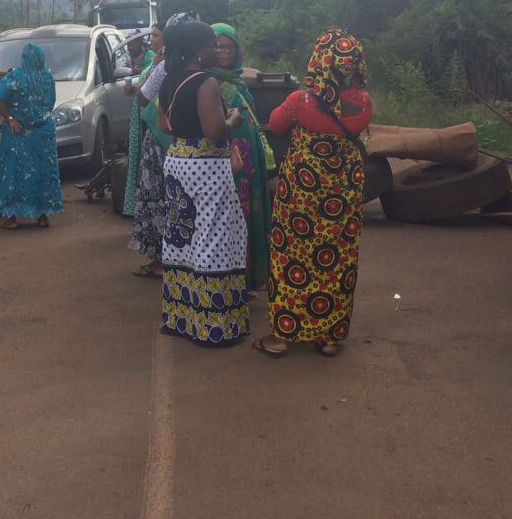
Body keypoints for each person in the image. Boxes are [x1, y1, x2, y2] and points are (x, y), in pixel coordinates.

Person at [254, 29, 371, 359]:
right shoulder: (364, 104)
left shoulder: (299, 101)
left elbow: (276, 126)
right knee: (336, 258)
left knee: (292, 257)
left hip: (302, 192)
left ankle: (283, 337)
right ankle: (329, 337)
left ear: (319, 61)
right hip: (343, 191)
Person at [158, 20, 249, 347]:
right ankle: (214, 325)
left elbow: (164, 125)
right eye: (212, 44)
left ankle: (183, 318)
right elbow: (214, 130)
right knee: (213, 235)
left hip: (177, 160)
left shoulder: (170, 79)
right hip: (206, 166)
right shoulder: (206, 82)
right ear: (199, 50)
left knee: (183, 234)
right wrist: (233, 120)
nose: (217, 49)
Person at [128, 14, 196, 276]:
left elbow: (142, 98)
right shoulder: (203, 65)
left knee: (160, 198)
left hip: (161, 140)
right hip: (196, 147)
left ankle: (161, 261)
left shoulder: (166, 65)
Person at [211, 23, 272, 292]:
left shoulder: (238, 81)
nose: (223, 52)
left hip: (248, 162)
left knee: (248, 216)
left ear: (237, 50)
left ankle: (249, 279)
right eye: (217, 46)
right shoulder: (207, 80)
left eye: (228, 46)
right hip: (222, 161)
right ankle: (232, 281)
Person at [0, 43, 63, 228]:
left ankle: (11, 217)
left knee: (14, 172)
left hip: (18, 134)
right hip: (43, 133)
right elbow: (51, 104)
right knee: (42, 171)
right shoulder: (48, 77)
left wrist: (9, 118)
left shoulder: (14, 77)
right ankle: (42, 216)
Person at [123, 24, 164, 218]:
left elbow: (149, 91)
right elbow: (144, 92)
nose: (151, 40)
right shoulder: (156, 62)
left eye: (155, 36)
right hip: (143, 122)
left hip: (158, 129)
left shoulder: (163, 64)